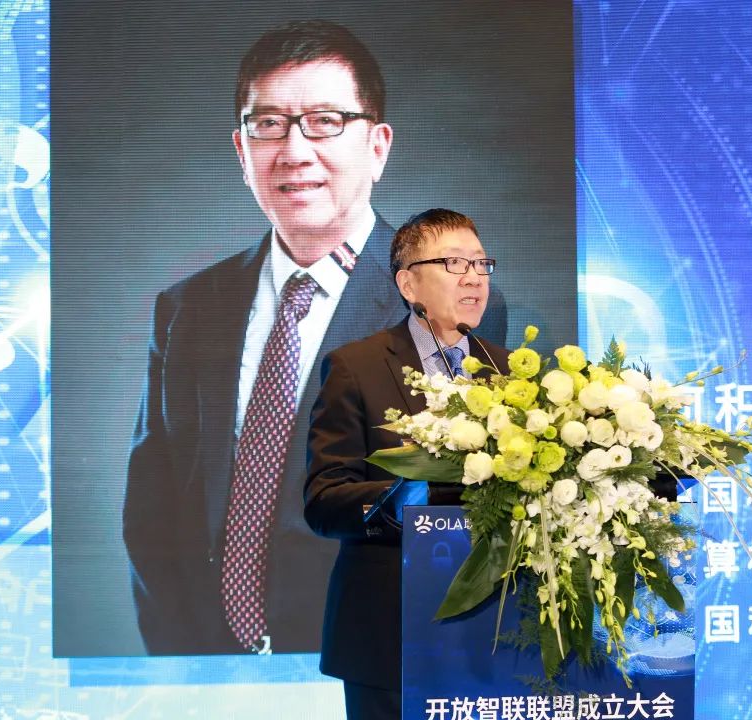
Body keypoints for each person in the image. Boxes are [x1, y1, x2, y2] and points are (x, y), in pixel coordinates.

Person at [122, 20, 506, 656]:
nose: (294, 151)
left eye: (325, 121)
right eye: (268, 124)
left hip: (375, 653)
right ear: (241, 149)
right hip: (207, 663)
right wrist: (181, 653)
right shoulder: (187, 307)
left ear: (377, 146)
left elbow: (468, 504)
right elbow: (153, 502)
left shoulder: (448, 300)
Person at [304, 209, 510, 720]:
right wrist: (403, 499)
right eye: (454, 263)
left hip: (497, 634)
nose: (474, 278)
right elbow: (324, 500)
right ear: (408, 284)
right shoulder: (356, 367)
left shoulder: (512, 372)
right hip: (390, 633)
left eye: (481, 264)